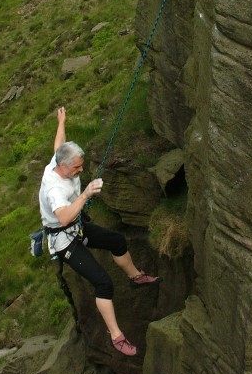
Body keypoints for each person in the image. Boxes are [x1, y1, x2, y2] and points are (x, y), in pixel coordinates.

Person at [38, 107, 162, 356]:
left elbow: (59, 144)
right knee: (103, 282)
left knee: (116, 241)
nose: (80, 171)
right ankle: (117, 337)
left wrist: (61, 121)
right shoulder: (54, 189)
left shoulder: (58, 160)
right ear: (63, 167)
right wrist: (85, 194)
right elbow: (63, 218)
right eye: (77, 168)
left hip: (78, 227)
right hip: (65, 241)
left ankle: (136, 277)